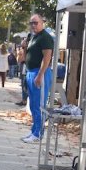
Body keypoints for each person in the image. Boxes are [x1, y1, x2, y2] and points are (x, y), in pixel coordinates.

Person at [22, 15, 53, 143]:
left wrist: (40, 75)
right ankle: (34, 130)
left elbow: (47, 58)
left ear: (42, 23)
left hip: (40, 73)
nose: (33, 25)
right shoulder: (33, 37)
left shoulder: (45, 37)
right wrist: (24, 47)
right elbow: (25, 57)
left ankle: (38, 133)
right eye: (31, 23)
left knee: (39, 105)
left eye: (36, 23)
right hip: (30, 72)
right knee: (33, 104)